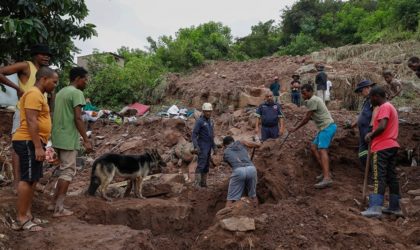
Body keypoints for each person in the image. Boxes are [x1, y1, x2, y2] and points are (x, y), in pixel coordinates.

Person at [11, 67, 58, 231]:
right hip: (28, 141)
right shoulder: (33, 94)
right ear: (44, 79)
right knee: (27, 179)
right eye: (54, 82)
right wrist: (38, 147)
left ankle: (27, 215)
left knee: (33, 179)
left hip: (34, 142)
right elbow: (31, 121)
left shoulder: (40, 95)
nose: (55, 85)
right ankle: (21, 219)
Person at [0, 44, 52, 191]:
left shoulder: (43, 73)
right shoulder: (26, 66)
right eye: (43, 54)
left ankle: (31, 181)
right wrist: (17, 88)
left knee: (35, 148)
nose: (46, 57)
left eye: (48, 55)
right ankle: (17, 183)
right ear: (35, 55)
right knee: (19, 148)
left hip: (37, 116)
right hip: (24, 114)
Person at [51, 67, 93, 217]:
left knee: (63, 170)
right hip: (68, 137)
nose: (86, 82)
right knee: (68, 172)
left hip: (57, 136)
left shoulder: (61, 92)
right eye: (85, 79)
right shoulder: (77, 93)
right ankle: (59, 208)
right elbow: (78, 118)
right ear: (77, 79)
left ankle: (53, 204)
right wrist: (86, 140)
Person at [361, 86, 401, 218]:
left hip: (382, 147)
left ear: (375, 96)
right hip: (392, 145)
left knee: (379, 176)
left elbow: (382, 126)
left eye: (370, 99)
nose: (370, 102)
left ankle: (375, 208)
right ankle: (395, 207)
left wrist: (371, 135)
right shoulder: (391, 107)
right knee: (391, 177)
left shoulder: (384, 107)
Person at [290, 84, 337, 189]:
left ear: (310, 92)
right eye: (302, 93)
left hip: (327, 127)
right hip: (324, 128)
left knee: (322, 150)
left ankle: (327, 178)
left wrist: (295, 129)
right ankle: (326, 172)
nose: (303, 95)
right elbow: (312, 116)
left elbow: (307, 119)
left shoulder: (313, 100)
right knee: (313, 147)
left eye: (304, 93)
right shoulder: (312, 100)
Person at [222, 136, 261, 208]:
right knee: (253, 195)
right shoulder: (241, 142)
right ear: (233, 141)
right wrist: (257, 140)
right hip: (251, 168)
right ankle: (256, 211)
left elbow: (232, 165)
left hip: (238, 170)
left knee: (231, 198)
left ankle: (226, 215)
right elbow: (258, 145)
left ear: (225, 145)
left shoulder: (226, 151)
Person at [350, 80, 376, 170]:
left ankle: (375, 176)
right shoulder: (366, 101)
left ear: (366, 89)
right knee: (362, 155)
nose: (361, 94)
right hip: (363, 134)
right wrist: (353, 124)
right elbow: (363, 115)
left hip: (369, 132)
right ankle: (370, 172)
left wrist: (371, 127)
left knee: (373, 156)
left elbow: (375, 113)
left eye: (361, 91)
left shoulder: (374, 100)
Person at [192, 102, 216, 187]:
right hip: (202, 146)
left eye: (210, 111)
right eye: (206, 111)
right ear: (203, 111)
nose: (208, 113)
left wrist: (214, 146)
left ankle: (204, 183)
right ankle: (197, 184)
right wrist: (196, 146)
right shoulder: (200, 121)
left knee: (206, 165)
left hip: (208, 146)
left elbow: (211, 135)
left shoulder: (210, 121)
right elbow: (194, 134)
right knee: (201, 164)